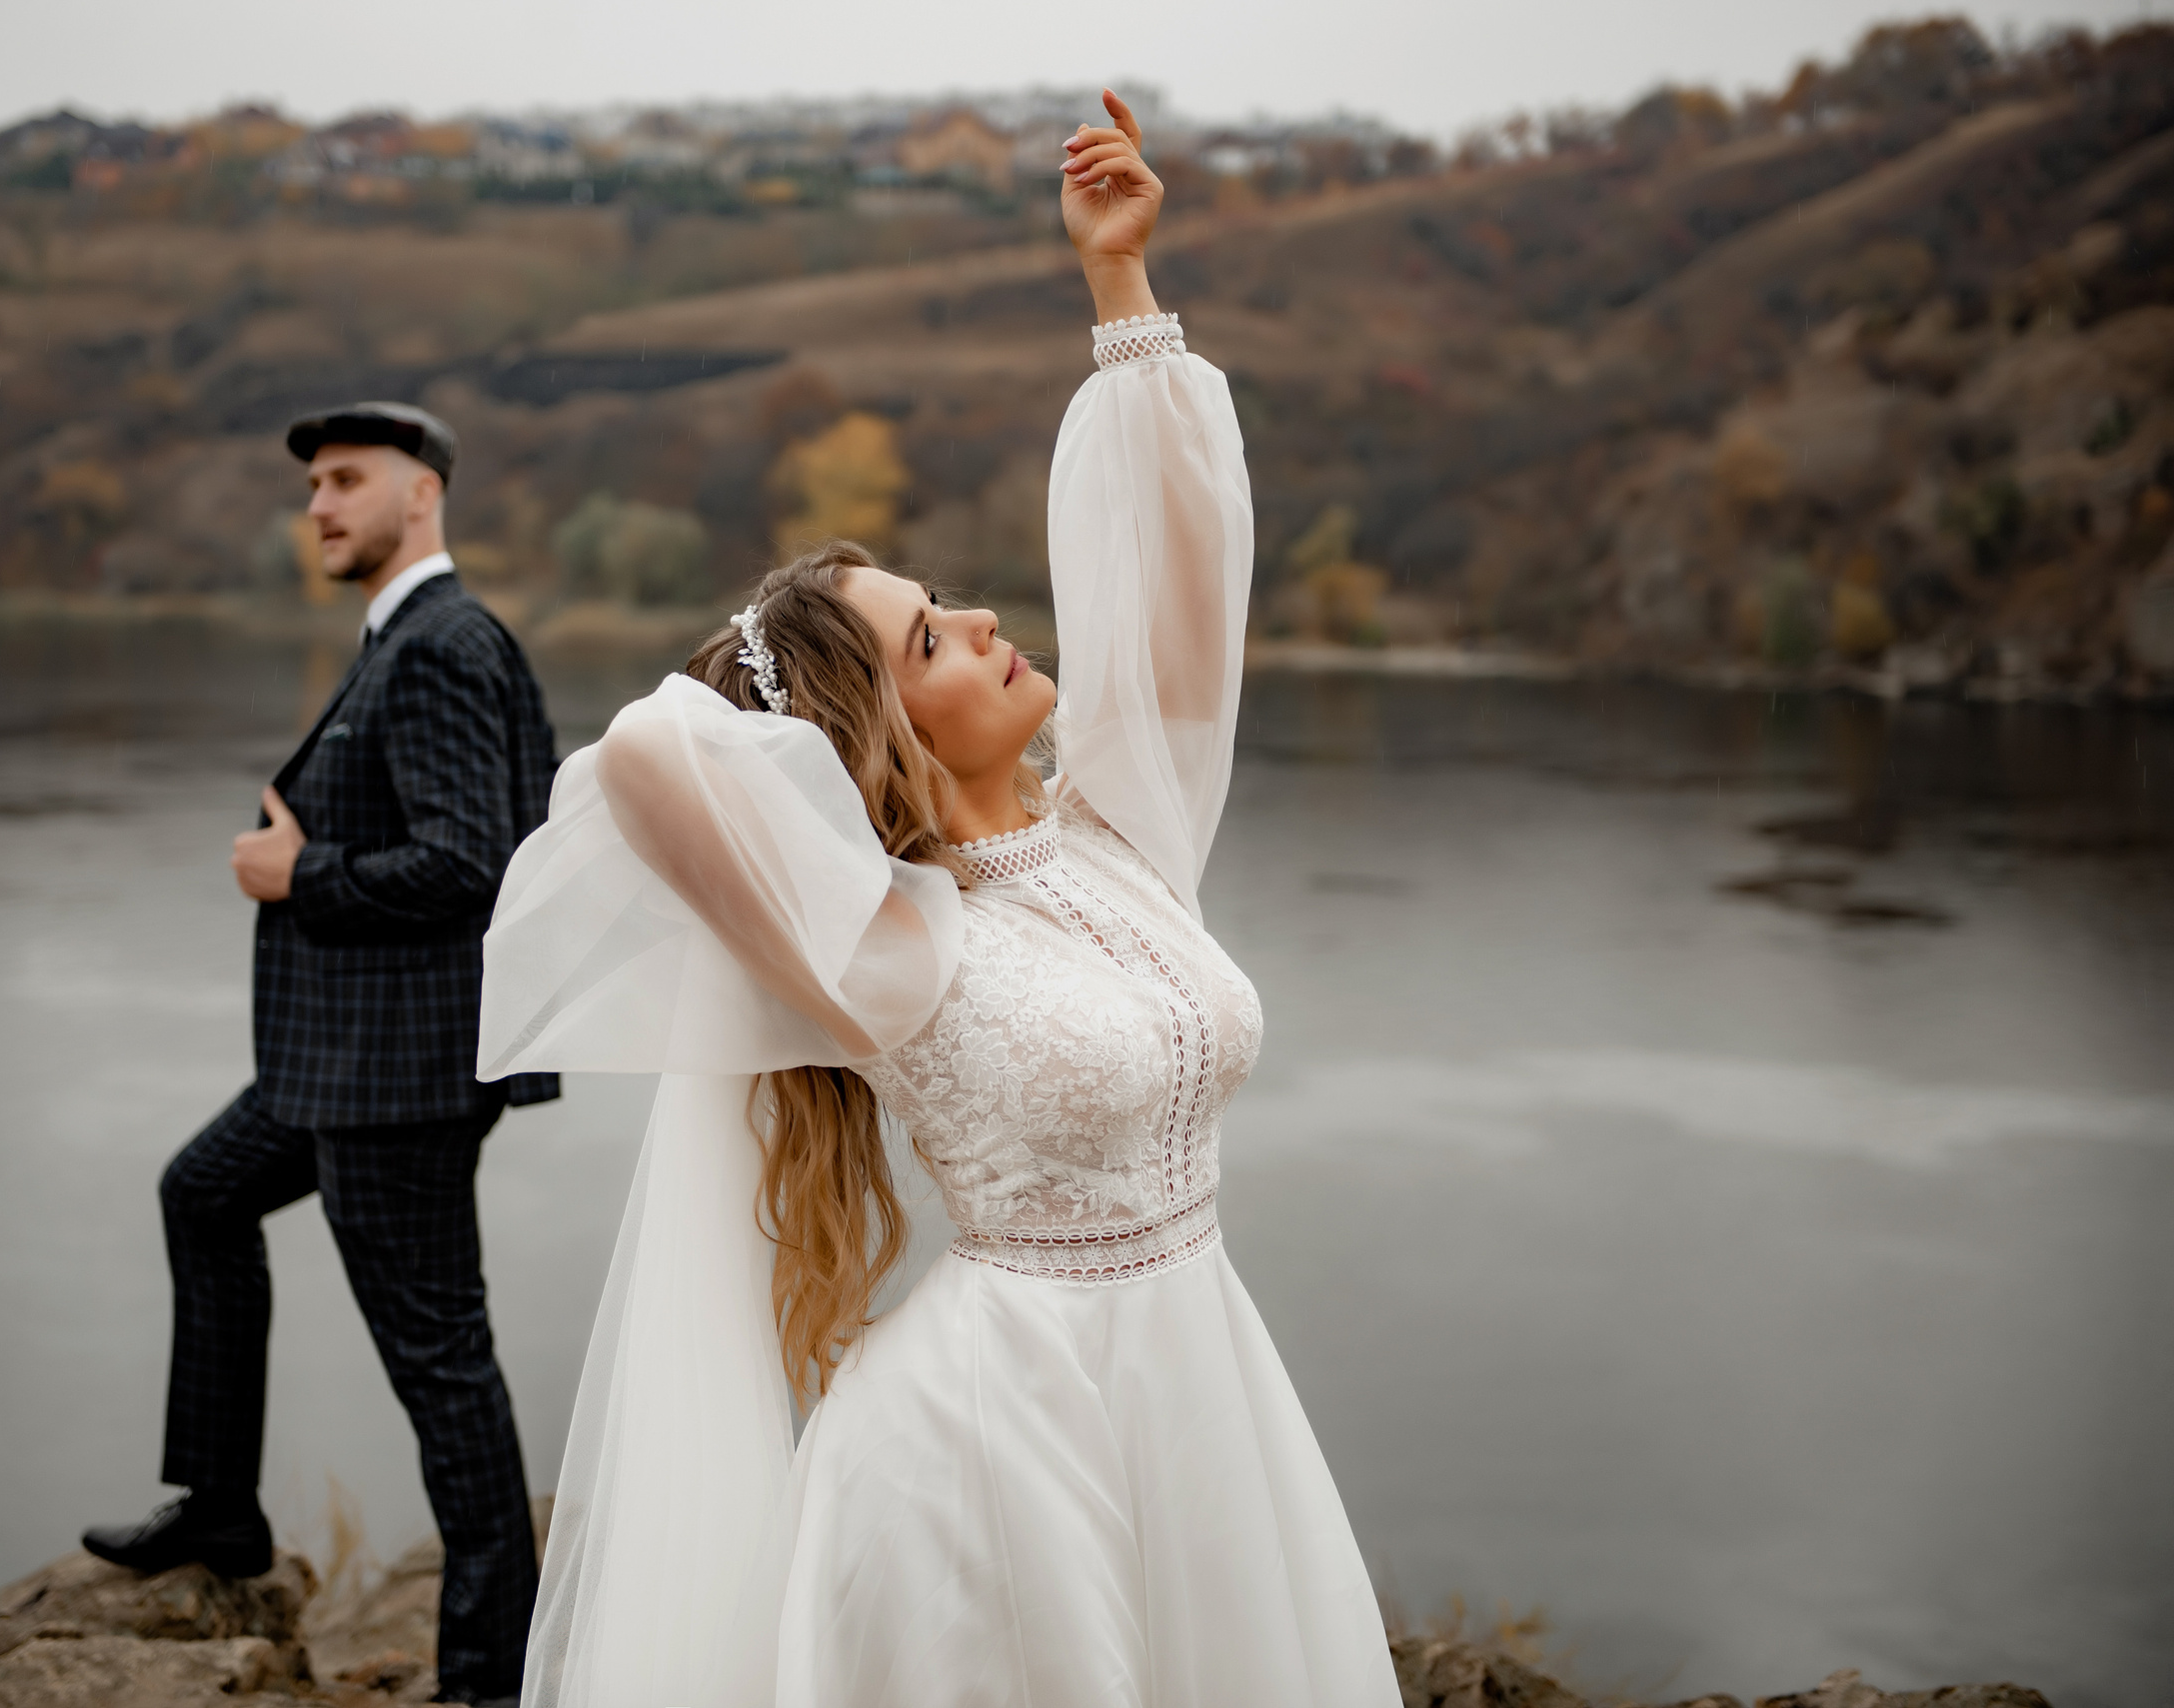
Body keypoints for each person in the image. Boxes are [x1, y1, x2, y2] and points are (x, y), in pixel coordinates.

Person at [477, 95, 1403, 1706]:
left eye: (948, 606)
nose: (982, 618)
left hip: (1200, 1398)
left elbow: (1185, 584)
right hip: (985, 1456)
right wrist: (795, 711)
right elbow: (644, 761)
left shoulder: (1123, 831)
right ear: (876, 741)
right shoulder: (887, 947)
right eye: (929, 643)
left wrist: (1122, 287)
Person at [82, 402, 559, 1708]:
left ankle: (489, 1678)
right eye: (312, 486)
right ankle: (223, 1503)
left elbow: (473, 861)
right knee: (204, 1190)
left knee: (444, 1374)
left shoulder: (443, 644)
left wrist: (303, 872)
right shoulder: (403, 640)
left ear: (425, 492)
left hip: (397, 1082)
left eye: (348, 480)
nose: (320, 505)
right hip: (344, 1065)